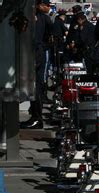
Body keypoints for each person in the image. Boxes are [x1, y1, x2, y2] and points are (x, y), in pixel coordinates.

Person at [21, 0, 53, 129]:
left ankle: (36, 117)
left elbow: (49, 36)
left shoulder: (37, 18)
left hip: (34, 53)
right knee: (34, 86)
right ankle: (35, 116)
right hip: (37, 52)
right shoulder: (43, 18)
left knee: (34, 86)